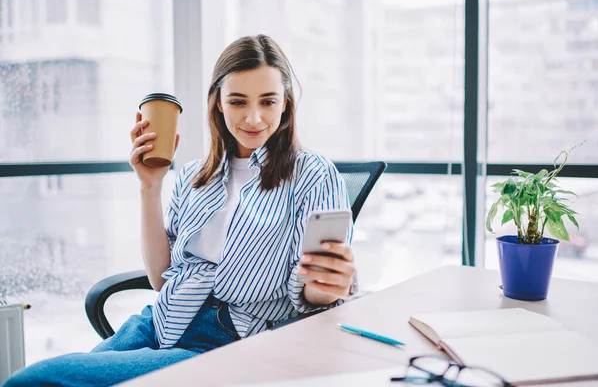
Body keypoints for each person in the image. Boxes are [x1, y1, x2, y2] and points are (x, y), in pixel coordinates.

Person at [3, 34, 357, 387]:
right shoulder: (194, 175)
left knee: (39, 380)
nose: (253, 117)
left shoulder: (312, 174)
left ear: (285, 104)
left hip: (228, 340)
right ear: (218, 103)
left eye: (268, 102)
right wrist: (149, 185)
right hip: (159, 321)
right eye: (237, 102)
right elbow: (160, 278)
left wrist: (327, 286)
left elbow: (315, 298)